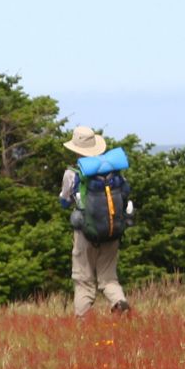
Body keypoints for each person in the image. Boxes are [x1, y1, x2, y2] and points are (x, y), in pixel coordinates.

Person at [58, 126, 130, 317]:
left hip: (85, 233)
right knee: (109, 278)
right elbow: (125, 195)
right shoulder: (114, 171)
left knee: (83, 279)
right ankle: (119, 302)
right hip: (113, 230)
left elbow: (64, 202)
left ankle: (82, 323)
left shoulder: (72, 173)